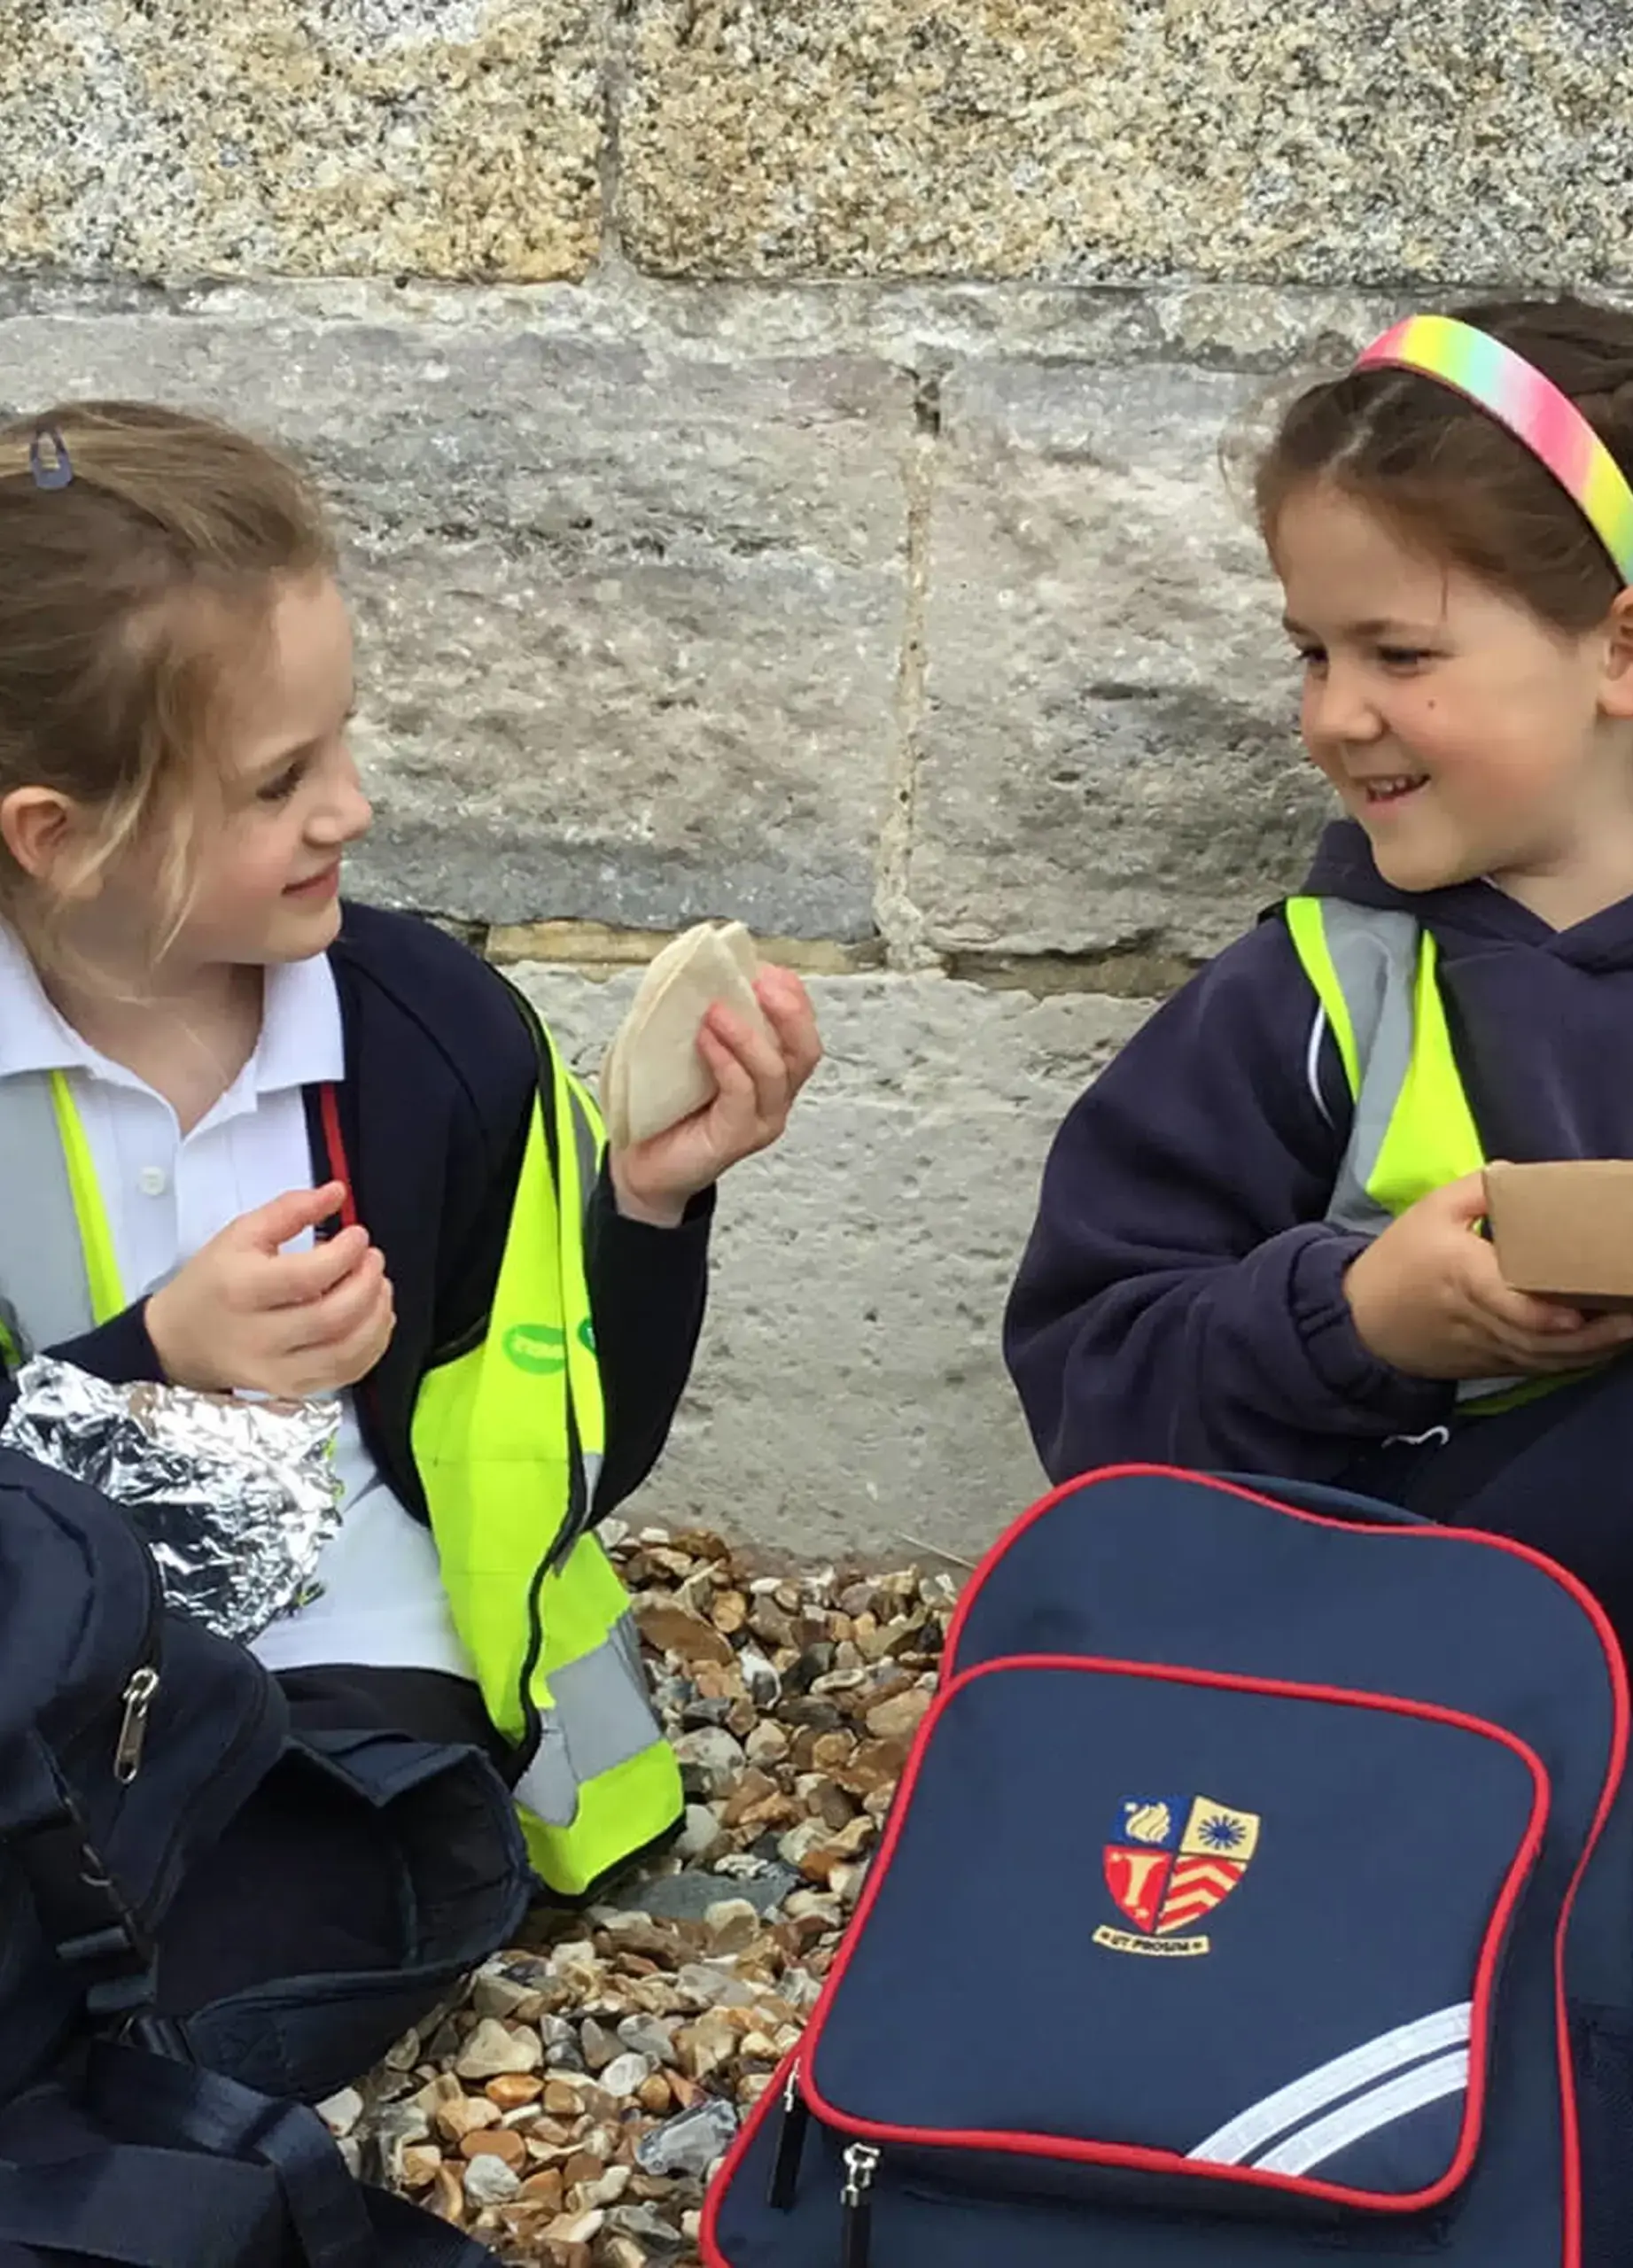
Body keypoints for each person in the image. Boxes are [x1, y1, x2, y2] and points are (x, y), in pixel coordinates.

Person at [0, 400, 821, 2003]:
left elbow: (558, 1463)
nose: (351, 809)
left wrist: (643, 1209)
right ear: (58, 836)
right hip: (44, 1653)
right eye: (277, 779)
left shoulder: (433, 1037)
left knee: (315, 1867)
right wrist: (149, 1357)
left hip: (345, 1642)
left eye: (345, 740)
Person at [1006, 297, 1633, 1653]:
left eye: (1397, 654)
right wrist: (1357, 1324)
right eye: (1313, 652)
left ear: (1619, 650)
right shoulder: (1309, 1002)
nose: (1331, 717)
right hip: (1414, 1722)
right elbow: (1089, 1375)